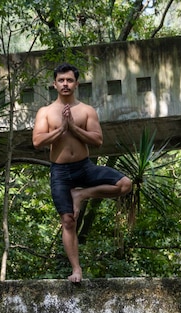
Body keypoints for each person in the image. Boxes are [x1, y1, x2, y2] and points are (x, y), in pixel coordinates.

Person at [32, 62, 132, 283]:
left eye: (69, 80)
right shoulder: (46, 112)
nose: (65, 84)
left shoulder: (86, 111)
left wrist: (74, 128)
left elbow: (97, 140)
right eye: (61, 80)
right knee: (68, 221)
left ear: (76, 83)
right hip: (60, 171)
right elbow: (38, 141)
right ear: (54, 84)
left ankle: (82, 194)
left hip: (84, 167)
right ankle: (76, 269)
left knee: (126, 184)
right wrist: (61, 129)